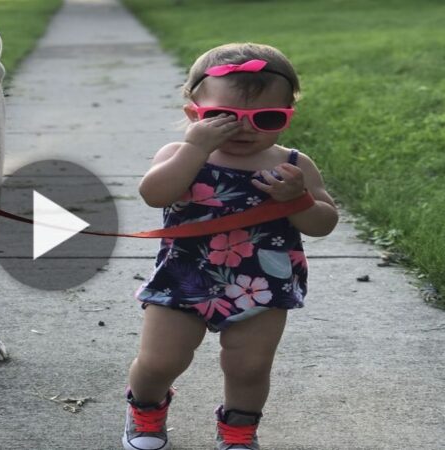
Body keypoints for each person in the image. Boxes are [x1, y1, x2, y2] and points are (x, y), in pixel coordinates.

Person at [122, 43, 339, 450]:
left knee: (250, 366)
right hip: (184, 275)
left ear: (287, 118)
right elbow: (154, 194)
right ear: (193, 114)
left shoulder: (294, 164)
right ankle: (146, 409)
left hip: (263, 280)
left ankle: (239, 430)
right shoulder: (181, 154)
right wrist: (194, 149)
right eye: (223, 117)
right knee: (159, 361)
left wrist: (299, 200)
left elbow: (323, 224)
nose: (245, 129)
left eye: (267, 117)